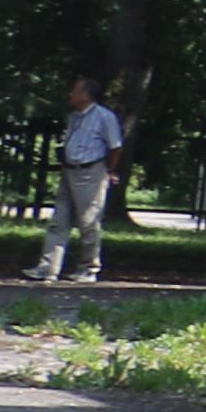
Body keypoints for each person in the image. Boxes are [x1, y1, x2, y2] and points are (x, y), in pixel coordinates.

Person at [34, 72, 124, 285]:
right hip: (69, 170)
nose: (70, 94)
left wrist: (108, 170)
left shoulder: (104, 116)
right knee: (59, 220)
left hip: (90, 172)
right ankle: (48, 267)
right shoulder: (74, 116)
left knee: (88, 221)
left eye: (74, 90)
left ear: (85, 95)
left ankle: (88, 268)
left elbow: (116, 147)